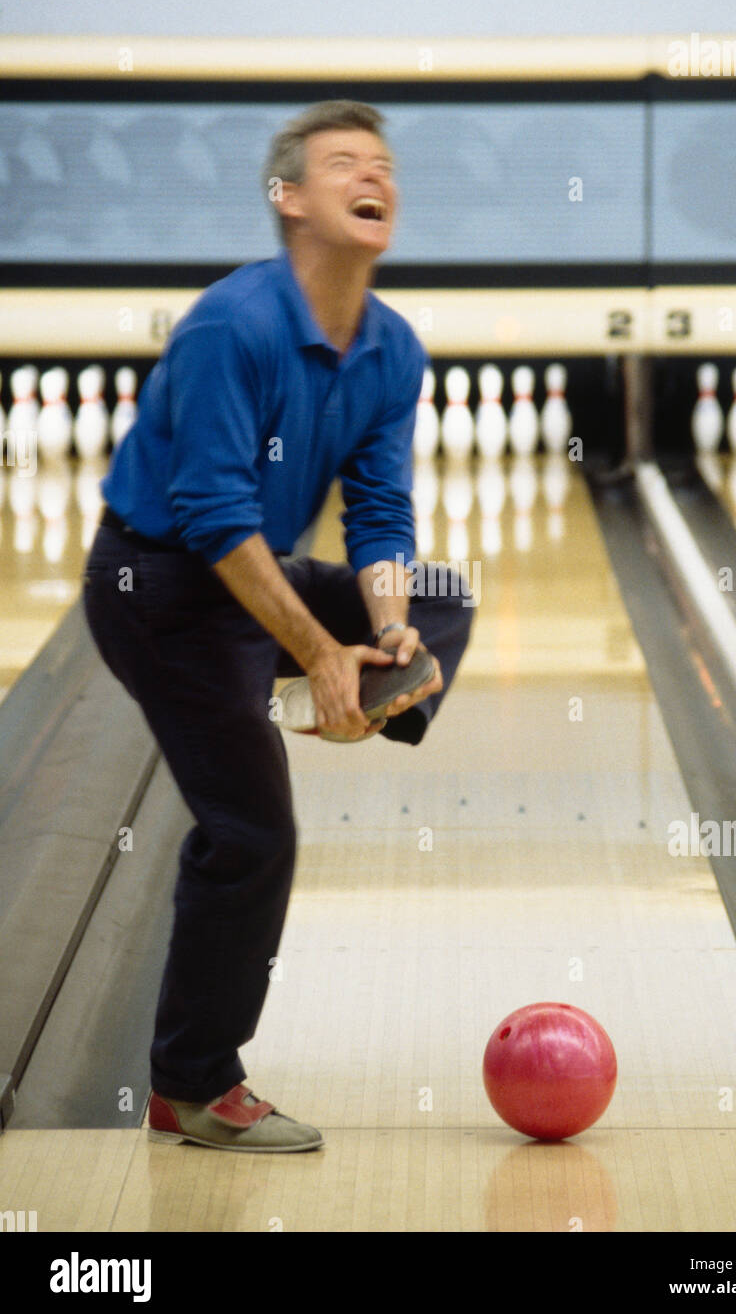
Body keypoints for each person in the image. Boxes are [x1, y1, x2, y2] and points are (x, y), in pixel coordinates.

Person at [82, 99, 473, 1153]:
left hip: (250, 576)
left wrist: (385, 633)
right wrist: (310, 642)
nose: (373, 176)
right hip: (161, 586)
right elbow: (213, 517)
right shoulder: (232, 326)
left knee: (443, 600)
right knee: (252, 834)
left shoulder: (390, 347)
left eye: (383, 164)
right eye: (345, 161)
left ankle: (333, 698)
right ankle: (191, 1088)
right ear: (288, 198)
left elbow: (379, 511)